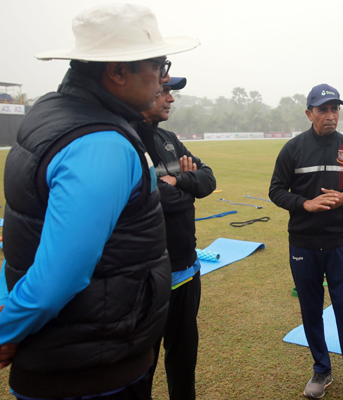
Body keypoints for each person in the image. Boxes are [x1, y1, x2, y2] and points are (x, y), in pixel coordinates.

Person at [0, 4, 199, 400]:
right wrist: (0, 333)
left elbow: (24, 236)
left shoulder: (52, 111)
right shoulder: (101, 143)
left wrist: (10, 318)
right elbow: (61, 273)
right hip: (91, 370)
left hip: (66, 356)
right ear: (117, 71)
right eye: (159, 65)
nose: (164, 79)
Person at [269, 84, 343, 400]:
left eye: (335, 109)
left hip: (341, 243)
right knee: (311, 309)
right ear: (309, 113)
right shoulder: (293, 149)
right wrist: (305, 204)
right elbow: (276, 190)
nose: (331, 116)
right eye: (323, 110)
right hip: (302, 243)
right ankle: (321, 370)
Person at [140, 76, 216, 400]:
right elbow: (149, 197)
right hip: (146, 282)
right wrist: (187, 187)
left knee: (183, 361)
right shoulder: (126, 141)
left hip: (187, 271)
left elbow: (209, 178)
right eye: (165, 91)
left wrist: (179, 180)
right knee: (140, 369)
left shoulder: (169, 139)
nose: (170, 99)